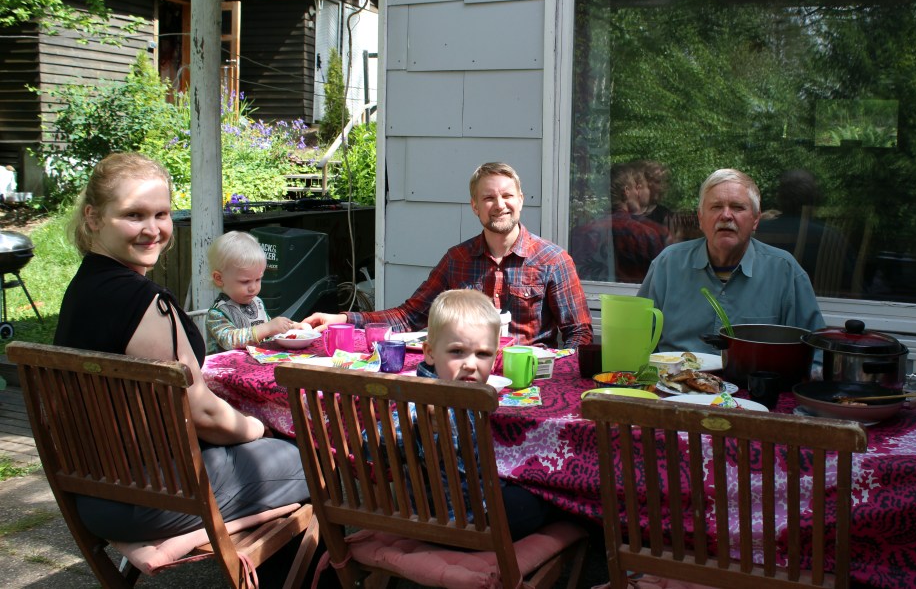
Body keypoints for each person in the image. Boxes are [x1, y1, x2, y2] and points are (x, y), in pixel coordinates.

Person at [53, 152, 308, 542]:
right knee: (316, 458)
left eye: (161, 214)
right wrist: (261, 428)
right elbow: (202, 412)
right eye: (133, 215)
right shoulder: (144, 304)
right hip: (152, 496)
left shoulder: (85, 287)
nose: (152, 229)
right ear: (93, 217)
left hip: (94, 489)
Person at [304, 162, 592, 348]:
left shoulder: (553, 260)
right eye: (488, 197)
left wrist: (557, 376)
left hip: (528, 379)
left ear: (521, 201)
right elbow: (410, 316)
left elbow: (579, 334)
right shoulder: (457, 260)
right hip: (465, 378)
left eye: (507, 196)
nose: (499, 204)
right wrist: (343, 319)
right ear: (475, 206)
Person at [408, 289, 552, 540]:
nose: (471, 364)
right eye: (457, 352)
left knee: (528, 487)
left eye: (482, 354)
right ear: (429, 352)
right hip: (470, 525)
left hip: (431, 517)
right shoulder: (425, 401)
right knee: (549, 496)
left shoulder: (454, 394)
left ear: (495, 357)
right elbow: (377, 442)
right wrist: (419, 427)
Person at [637, 168, 825, 353]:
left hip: (752, 382)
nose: (726, 215)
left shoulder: (784, 272)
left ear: (755, 219)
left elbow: (814, 353)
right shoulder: (667, 265)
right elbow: (637, 339)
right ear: (700, 218)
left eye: (737, 207)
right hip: (674, 381)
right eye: (716, 207)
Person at [571, 162, 667, 283]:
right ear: (626, 191)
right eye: (636, 188)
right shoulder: (645, 234)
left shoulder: (579, 232)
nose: (638, 194)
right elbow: (660, 280)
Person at [205, 230, 299, 353]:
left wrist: (292, 327)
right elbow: (229, 340)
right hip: (225, 368)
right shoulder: (217, 313)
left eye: (258, 279)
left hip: (258, 362)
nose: (253, 287)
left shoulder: (256, 302)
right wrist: (267, 328)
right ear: (219, 278)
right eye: (245, 281)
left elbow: (270, 329)